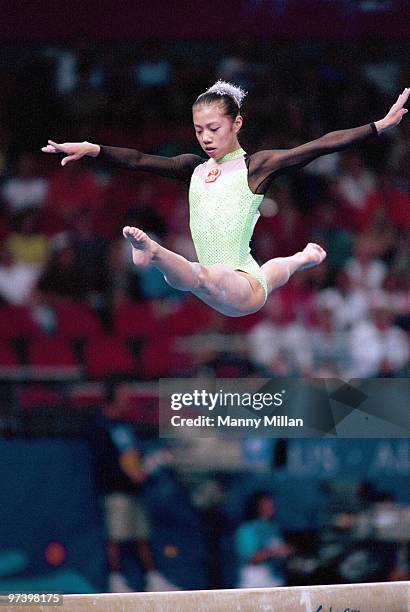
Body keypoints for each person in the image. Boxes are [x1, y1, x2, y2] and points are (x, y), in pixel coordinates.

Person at [42, 82, 409, 317]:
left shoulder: (256, 167)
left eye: (214, 128)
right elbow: (137, 160)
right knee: (271, 272)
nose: (205, 137)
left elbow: (318, 145)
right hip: (240, 279)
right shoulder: (193, 168)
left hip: (237, 285)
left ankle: (154, 253)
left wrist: (379, 125)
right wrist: (92, 148)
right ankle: (304, 257)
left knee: (198, 275)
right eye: (199, 130)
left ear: (237, 124)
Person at [235, 490, 293, 588]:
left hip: (274, 580)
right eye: (266, 505)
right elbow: (251, 557)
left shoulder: (273, 528)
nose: (271, 508)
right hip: (254, 580)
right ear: (257, 506)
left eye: (271, 505)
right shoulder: (247, 529)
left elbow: (280, 549)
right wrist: (274, 552)